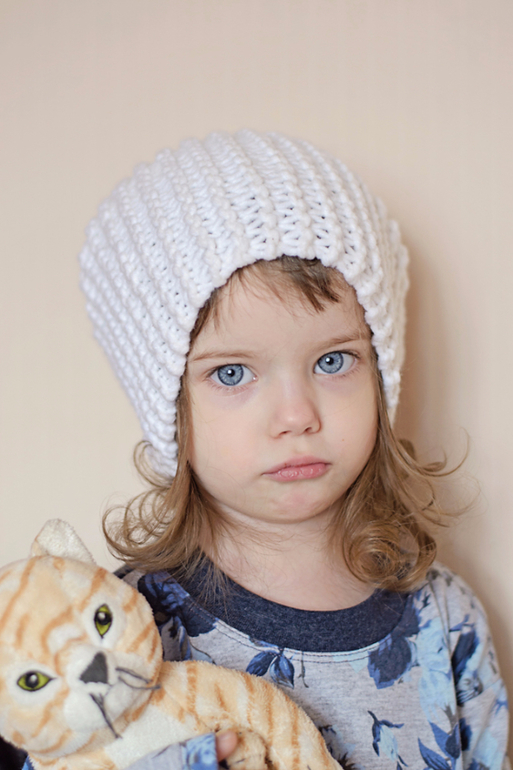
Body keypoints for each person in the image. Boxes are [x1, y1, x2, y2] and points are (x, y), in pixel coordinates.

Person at [21, 130, 509, 770]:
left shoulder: (446, 618)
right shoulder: (119, 629)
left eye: (333, 361)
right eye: (232, 373)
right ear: (169, 407)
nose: (296, 415)